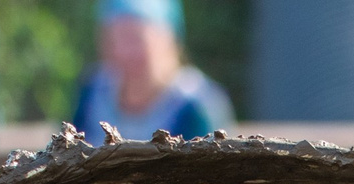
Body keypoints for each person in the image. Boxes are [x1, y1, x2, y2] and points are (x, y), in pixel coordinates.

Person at [69, 0, 232, 143]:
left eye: (135, 39)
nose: (123, 52)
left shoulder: (196, 106)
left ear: (168, 39)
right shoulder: (92, 91)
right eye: (113, 41)